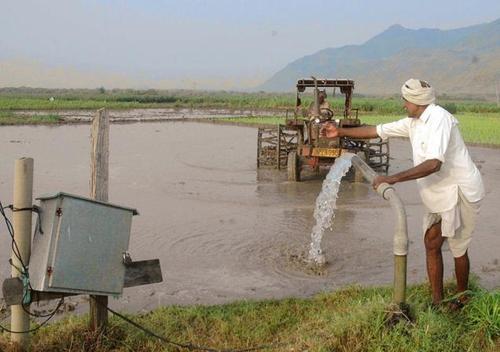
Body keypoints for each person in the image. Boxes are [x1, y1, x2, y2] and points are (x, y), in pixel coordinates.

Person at [321, 78, 485, 309]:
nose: (403, 105)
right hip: (439, 191)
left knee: (457, 246)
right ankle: (437, 301)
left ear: (418, 102)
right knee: (431, 242)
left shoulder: (439, 119)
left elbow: (434, 164)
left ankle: (462, 298)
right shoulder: (414, 121)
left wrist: (392, 178)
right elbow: (376, 130)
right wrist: (339, 131)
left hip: (460, 190)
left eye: (406, 101)